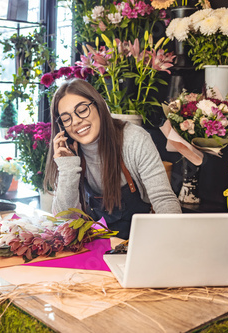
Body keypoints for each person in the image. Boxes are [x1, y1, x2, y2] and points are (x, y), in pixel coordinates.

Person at [44, 79, 181, 239]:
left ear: (99, 106)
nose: (76, 122)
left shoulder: (133, 139)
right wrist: (68, 168)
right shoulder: (70, 152)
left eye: (82, 110)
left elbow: (163, 198)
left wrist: (174, 242)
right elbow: (63, 221)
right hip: (92, 247)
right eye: (66, 119)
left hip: (136, 244)